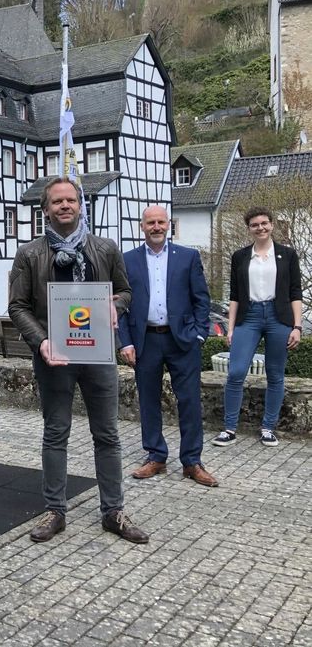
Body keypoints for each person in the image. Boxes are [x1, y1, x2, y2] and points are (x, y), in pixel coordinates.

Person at [8, 177, 149, 545]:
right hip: (54, 356)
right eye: (57, 201)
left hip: (98, 352)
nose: (65, 206)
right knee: (56, 433)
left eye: (71, 200)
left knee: (107, 434)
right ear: (46, 209)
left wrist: (114, 306)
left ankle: (113, 511)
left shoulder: (104, 248)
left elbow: (126, 291)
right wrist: (40, 342)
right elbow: (17, 306)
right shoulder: (30, 253)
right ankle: (55, 510)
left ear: (80, 204)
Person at [118, 206, 217, 487]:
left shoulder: (188, 257)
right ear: (142, 227)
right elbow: (121, 306)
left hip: (182, 340)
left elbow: (202, 299)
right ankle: (156, 456)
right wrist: (124, 341)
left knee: (189, 401)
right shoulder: (128, 260)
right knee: (148, 400)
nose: (157, 226)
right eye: (151, 222)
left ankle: (192, 462)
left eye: (161, 222)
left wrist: (199, 334)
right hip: (145, 340)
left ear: (168, 225)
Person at [212, 207, 303, 447]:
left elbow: (295, 293)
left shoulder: (288, 254)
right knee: (236, 372)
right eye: (255, 225)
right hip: (249, 316)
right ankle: (229, 428)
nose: (260, 227)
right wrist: (230, 329)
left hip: (278, 316)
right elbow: (234, 296)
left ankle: (267, 428)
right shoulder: (240, 257)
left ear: (272, 224)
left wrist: (297, 326)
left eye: (264, 223)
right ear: (249, 229)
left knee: (275, 375)